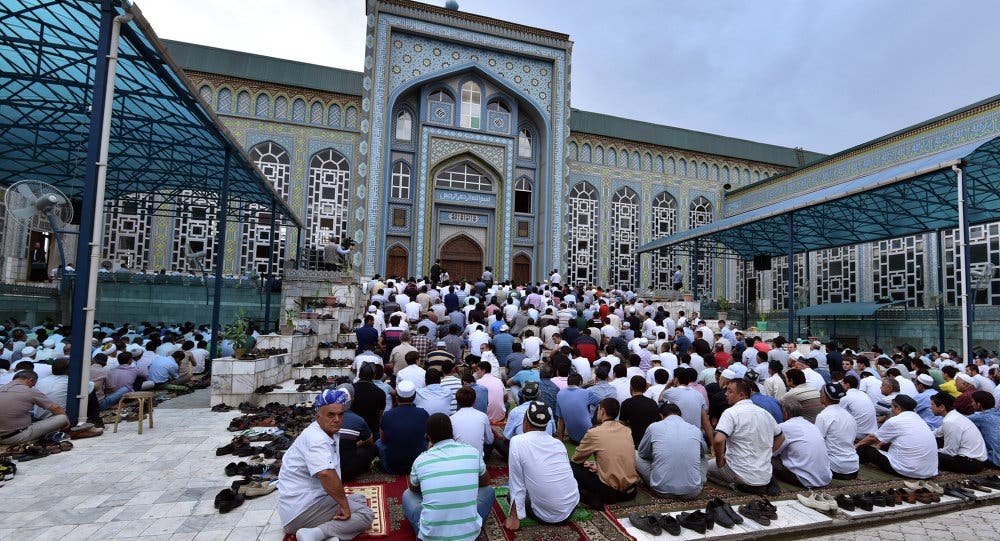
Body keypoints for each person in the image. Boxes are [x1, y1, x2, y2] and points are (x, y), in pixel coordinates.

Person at [277, 389, 375, 541]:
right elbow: (326, 473)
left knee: (359, 499)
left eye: (340, 414)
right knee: (366, 514)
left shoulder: (324, 431)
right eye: (331, 415)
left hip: (306, 503)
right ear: (318, 416)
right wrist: (344, 506)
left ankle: (329, 535)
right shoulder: (316, 439)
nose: (337, 419)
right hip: (301, 511)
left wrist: (343, 502)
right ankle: (315, 534)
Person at [403, 413, 495, 541]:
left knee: (408, 495)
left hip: (431, 537)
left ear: (428, 436)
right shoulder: (472, 452)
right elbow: (485, 482)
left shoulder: (421, 460)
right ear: (452, 432)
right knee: (489, 491)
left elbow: (413, 488)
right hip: (469, 536)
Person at [505, 401, 580, 530]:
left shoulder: (517, 441)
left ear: (525, 421)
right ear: (546, 425)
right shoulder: (558, 443)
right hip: (570, 508)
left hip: (545, 515)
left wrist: (513, 517)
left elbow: (516, 483)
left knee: (510, 495)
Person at [709, 378, 784, 494]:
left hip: (739, 472)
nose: (726, 394)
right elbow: (781, 437)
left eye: (730, 391)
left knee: (704, 467)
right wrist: (766, 454)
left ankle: (736, 485)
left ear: (741, 395)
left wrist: (719, 459)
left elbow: (718, 440)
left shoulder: (731, 413)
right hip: (765, 475)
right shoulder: (764, 413)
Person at [570, 398, 638, 508]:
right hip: (631, 490)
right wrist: (599, 466)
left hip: (611, 493)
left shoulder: (594, 432)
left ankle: (588, 497)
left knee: (570, 466)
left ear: (602, 411)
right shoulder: (626, 430)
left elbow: (576, 459)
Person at [856, 394, 938, 479]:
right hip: (930, 471)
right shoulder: (920, 420)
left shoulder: (895, 421)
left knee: (863, 448)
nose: (891, 410)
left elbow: (873, 438)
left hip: (908, 470)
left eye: (892, 407)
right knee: (884, 445)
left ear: (898, 408)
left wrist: (857, 445)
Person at [636, 402, 706, 499]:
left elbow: (642, 454)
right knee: (703, 457)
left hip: (661, 489)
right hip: (693, 491)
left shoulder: (653, 427)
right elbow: (703, 452)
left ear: (661, 416)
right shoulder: (695, 430)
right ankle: (699, 481)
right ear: (681, 415)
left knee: (634, 454)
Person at [771, 395, 832, 488]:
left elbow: (773, 452)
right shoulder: (811, 425)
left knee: (766, 458)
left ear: (785, 413)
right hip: (825, 478)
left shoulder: (784, 427)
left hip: (804, 479)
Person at [0, 370, 70, 445]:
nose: (32, 387)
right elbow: (56, 408)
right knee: (62, 418)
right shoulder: (29, 390)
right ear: (30, 380)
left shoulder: (1, 388)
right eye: (32, 385)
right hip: (16, 436)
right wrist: (67, 420)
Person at [375, 380, 428, 475]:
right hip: (418, 465)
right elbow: (426, 436)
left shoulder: (387, 415)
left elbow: (383, 439)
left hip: (393, 467)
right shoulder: (423, 413)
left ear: (396, 397)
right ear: (414, 397)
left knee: (378, 443)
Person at [931, 391, 988, 473]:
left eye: (932, 404)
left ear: (942, 407)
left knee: (928, 455)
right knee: (934, 441)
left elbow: (950, 452)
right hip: (974, 460)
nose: (931, 407)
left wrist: (932, 450)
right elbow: (936, 433)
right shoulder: (953, 416)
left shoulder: (950, 421)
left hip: (971, 463)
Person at [815, 382, 859, 479]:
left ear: (825, 397)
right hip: (853, 468)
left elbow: (817, 442)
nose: (819, 394)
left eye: (821, 392)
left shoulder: (824, 416)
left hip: (834, 467)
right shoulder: (849, 416)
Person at [555, 373, 600, 444]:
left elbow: (561, 419)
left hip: (573, 438)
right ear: (580, 382)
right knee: (601, 407)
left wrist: (560, 439)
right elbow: (601, 402)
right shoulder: (586, 392)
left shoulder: (559, 394)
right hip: (590, 437)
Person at [451, 387, 494, 457]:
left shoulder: (451, 419)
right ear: (474, 401)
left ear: (457, 402)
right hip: (477, 459)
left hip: (458, 458)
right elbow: (489, 440)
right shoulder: (483, 416)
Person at [619, 375, 661, 448]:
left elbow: (622, 425)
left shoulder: (626, 403)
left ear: (631, 387)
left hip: (634, 443)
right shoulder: (652, 403)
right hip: (651, 442)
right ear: (645, 389)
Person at [840, 375, 878, 440]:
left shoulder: (846, 396)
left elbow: (839, 414)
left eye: (842, 383)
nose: (840, 386)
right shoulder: (863, 394)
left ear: (847, 385)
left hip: (859, 433)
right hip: (873, 431)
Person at [969, 391, 1000, 467]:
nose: (971, 404)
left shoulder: (980, 417)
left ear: (979, 404)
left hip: (996, 459)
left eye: (973, 402)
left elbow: (959, 422)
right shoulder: (997, 413)